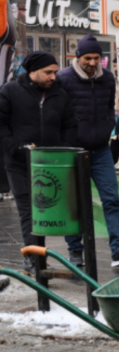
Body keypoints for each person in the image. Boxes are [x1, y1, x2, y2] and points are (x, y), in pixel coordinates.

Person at [58, 34, 119, 268]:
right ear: (78, 57)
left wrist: (107, 127)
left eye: (96, 58)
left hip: (100, 149)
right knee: (73, 203)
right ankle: (75, 251)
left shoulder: (109, 78)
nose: (92, 63)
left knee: (111, 199)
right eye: (87, 58)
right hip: (72, 150)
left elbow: (108, 108)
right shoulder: (64, 78)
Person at [0, 51, 77, 274]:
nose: (54, 76)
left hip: (51, 163)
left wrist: (62, 149)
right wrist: (13, 148)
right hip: (19, 163)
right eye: (48, 72)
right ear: (31, 71)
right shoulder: (11, 91)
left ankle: (49, 256)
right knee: (29, 211)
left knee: (48, 208)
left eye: (55, 71)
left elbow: (70, 125)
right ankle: (34, 259)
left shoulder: (60, 94)